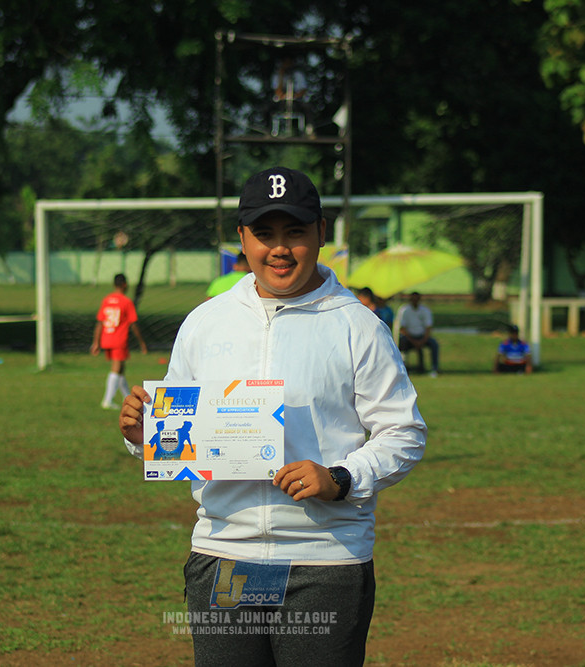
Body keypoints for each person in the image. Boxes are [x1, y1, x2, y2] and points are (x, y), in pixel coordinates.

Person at [118, 166, 427, 666]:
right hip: (224, 554)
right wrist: (142, 434)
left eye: (295, 232)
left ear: (321, 233)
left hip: (323, 561)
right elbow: (178, 433)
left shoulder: (358, 326)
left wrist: (341, 477)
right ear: (242, 238)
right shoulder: (205, 321)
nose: (279, 248)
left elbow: (404, 432)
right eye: (264, 234)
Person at [91, 273, 148, 409]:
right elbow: (133, 324)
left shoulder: (106, 300)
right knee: (116, 369)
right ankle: (107, 400)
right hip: (118, 339)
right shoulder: (126, 301)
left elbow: (100, 322)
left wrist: (96, 342)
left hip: (106, 338)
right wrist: (142, 343)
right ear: (125, 285)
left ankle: (126, 397)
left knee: (121, 369)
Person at [396, 291, 440, 377]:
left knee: (434, 344)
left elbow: (428, 327)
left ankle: (434, 368)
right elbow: (402, 328)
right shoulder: (404, 310)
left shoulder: (425, 310)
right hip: (408, 336)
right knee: (401, 343)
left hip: (422, 336)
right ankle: (403, 367)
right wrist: (413, 341)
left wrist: (423, 340)